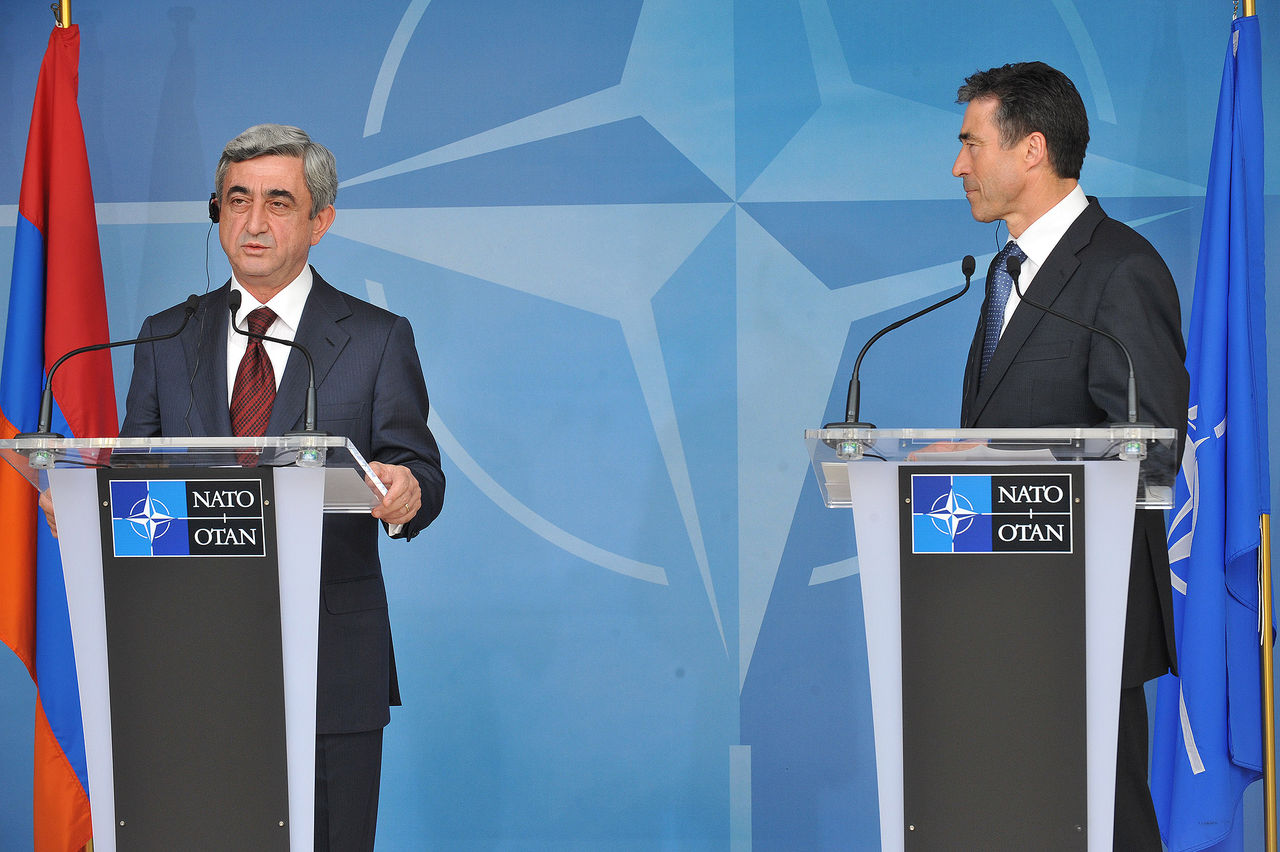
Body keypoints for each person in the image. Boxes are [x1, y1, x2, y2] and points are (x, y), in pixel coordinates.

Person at [119, 124, 445, 851]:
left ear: (319, 222)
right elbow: (132, 479)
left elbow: (419, 468)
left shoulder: (375, 338)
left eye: (278, 202)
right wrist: (85, 509)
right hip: (191, 661)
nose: (254, 222)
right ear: (216, 212)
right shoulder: (164, 336)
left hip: (333, 664)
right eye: (237, 201)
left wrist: (405, 489)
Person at [951, 62, 1188, 849]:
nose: (958, 167)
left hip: (1084, 615)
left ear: (1032, 150)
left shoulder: (1121, 270)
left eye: (970, 144)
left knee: (1105, 827)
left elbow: (1151, 454)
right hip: (999, 613)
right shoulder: (1001, 274)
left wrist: (1007, 466)